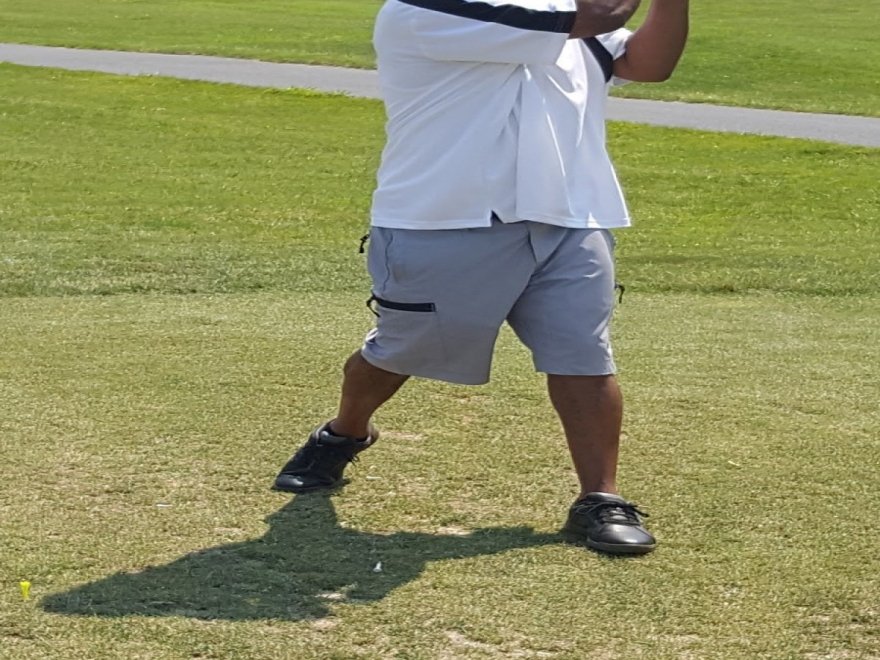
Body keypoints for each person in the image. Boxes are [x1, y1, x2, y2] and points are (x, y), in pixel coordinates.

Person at [274, 0, 689, 556]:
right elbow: (600, 15)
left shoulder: (560, 13)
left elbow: (647, 63)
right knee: (401, 350)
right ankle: (344, 432)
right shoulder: (427, 8)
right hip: (445, 215)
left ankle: (600, 497)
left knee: (584, 356)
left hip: (571, 215)